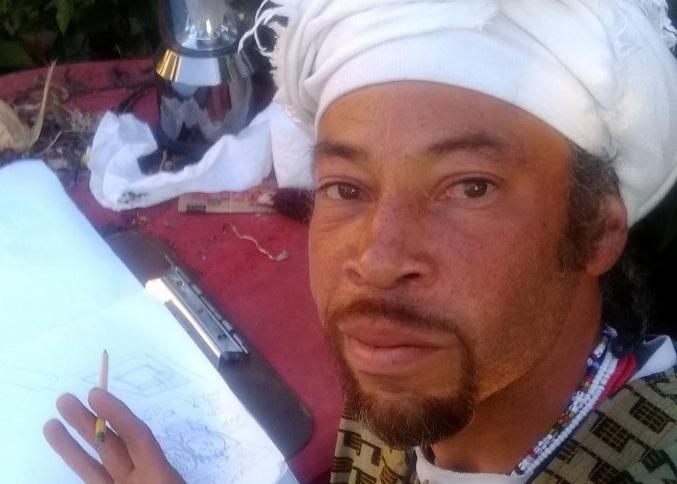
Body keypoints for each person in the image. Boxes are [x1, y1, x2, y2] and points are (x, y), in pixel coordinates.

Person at [44, 0, 677, 482]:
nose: (376, 261)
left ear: (596, 231)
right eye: (346, 188)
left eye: (470, 187)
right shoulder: (398, 384)